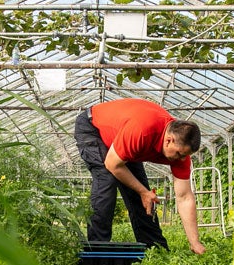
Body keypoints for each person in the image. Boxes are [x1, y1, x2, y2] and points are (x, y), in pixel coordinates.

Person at [73, 98, 206, 254]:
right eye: (179, 154)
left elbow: (185, 197)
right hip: (93, 128)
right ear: (169, 140)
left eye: (185, 155)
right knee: (106, 181)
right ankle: (97, 251)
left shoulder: (181, 152)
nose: (182, 159)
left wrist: (195, 242)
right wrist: (143, 192)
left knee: (143, 195)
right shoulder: (143, 130)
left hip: (123, 140)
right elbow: (112, 164)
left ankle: (155, 250)